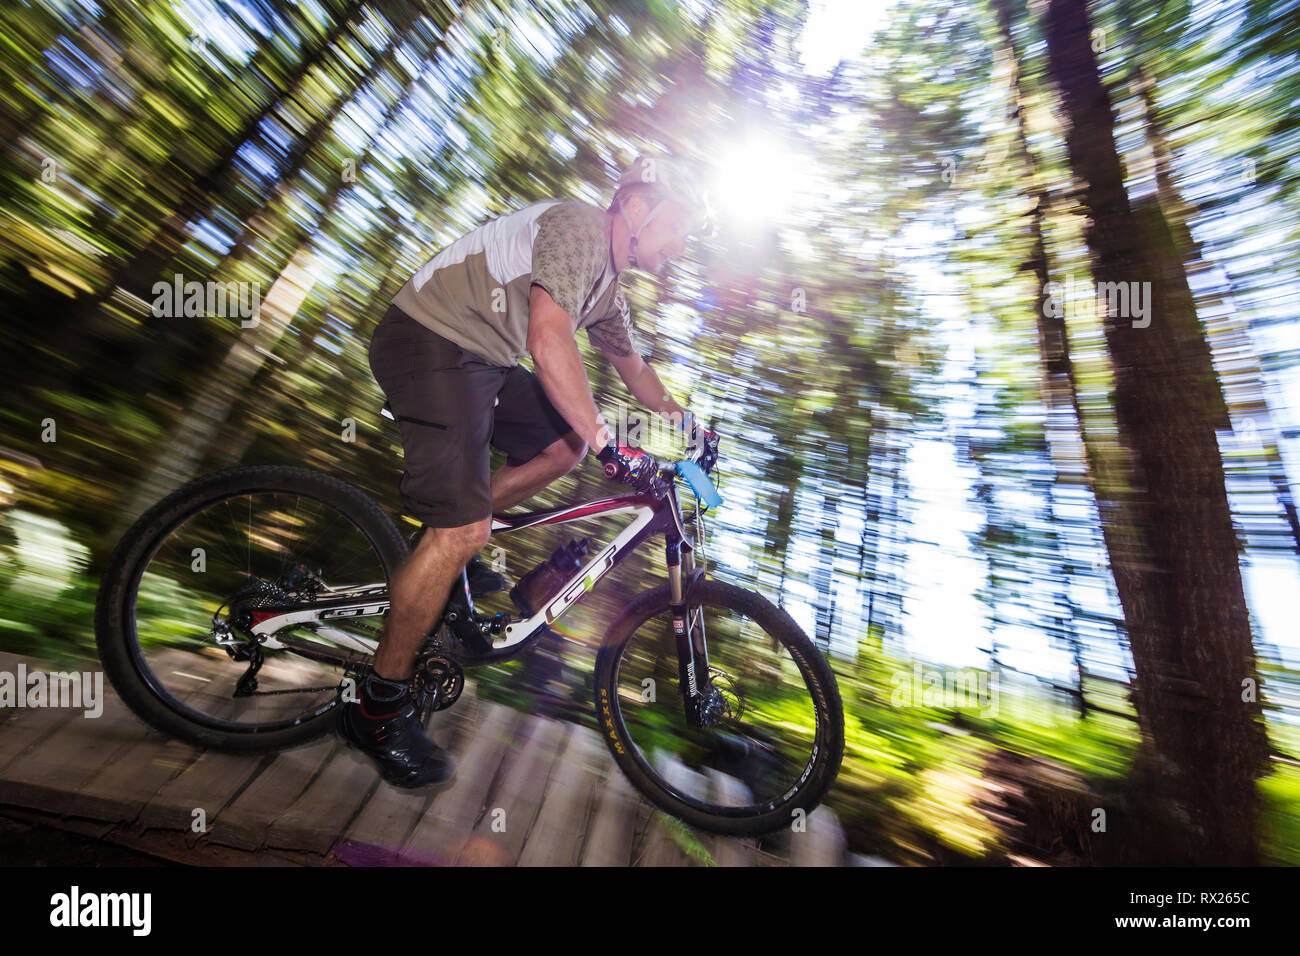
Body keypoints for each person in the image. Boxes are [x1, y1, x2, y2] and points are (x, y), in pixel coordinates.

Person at [339, 154, 715, 788]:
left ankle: (450, 542)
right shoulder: (580, 230)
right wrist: (608, 442)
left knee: (559, 443)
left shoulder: (606, 288)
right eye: (679, 226)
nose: (682, 245)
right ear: (642, 208)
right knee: (467, 525)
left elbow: (637, 372)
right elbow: (547, 341)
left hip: (476, 358)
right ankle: (377, 708)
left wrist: (691, 428)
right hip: (430, 339)